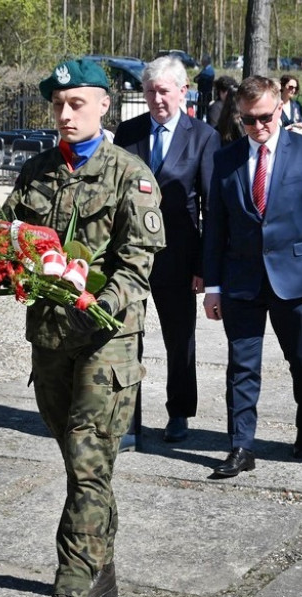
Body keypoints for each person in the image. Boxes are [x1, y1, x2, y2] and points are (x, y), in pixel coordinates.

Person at [0, 58, 164, 597]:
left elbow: (138, 264)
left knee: (88, 464)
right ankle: (103, 570)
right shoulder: (37, 171)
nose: (65, 114)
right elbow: (8, 237)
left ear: (103, 107)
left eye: (77, 103)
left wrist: (95, 302)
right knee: (79, 465)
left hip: (105, 343)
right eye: (59, 105)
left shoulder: (131, 175)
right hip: (48, 344)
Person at [202, 75, 302, 477]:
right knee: (242, 365)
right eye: (248, 120)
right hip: (242, 280)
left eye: (265, 117)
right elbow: (215, 227)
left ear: (280, 108)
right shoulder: (226, 159)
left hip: (295, 277)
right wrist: (213, 286)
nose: (258, 126)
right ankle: (241, 446)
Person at [114, 56, 218, 443]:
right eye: (150, 91)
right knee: (126, 339)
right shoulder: (129, 132)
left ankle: (179, 413)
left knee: (180, 339)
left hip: (179, 257)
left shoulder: (203, 136)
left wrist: (204, 265)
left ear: (183, 91)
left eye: (164, 91)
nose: (157, 98)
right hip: (132, 258)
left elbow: (211, 206)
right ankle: (128, 419)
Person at [195, 55, 215, 121]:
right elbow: (195, 79)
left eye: (202, 61)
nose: (201, 62)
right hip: (201, 94)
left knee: (207, 111)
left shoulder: (210, 71)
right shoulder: (204, 70)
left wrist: (200, 79)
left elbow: (204, 79)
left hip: (206, 94)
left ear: (206, 61)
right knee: (200, 112)